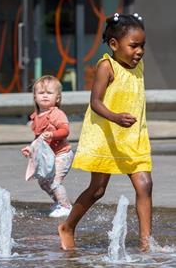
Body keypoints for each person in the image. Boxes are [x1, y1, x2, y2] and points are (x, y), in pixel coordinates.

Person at [58, 13, 153, 251]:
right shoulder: (106, 67)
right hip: (107, 137)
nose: (139, 51)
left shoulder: (137, 65)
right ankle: (67, 226)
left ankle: (146, 243)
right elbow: (95, 102)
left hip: (133, 138)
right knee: (98, 190)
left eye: (142, 45)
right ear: (114, 44)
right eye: (133, 46)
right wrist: (116, 117)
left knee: (145, 184)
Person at [21, 75, 74, 218]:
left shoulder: (56, 114)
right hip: (49, 156)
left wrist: (53, 134)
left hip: (62, 154)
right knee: (43, 182)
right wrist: (30, 149)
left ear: (57, 98)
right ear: (35, 97)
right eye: (41, 93)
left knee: (54, 182)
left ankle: (66, 206)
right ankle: (59, 202)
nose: (45, 96)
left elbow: (65, 131)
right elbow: (38, 140)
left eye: (49, 93)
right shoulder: (37, 117)